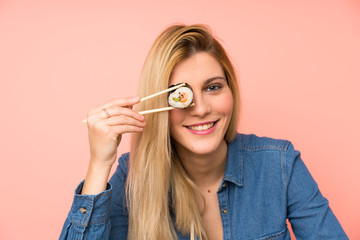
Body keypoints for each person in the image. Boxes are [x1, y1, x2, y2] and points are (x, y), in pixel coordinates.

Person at [59, 24, 348, 240]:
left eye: (212, 87)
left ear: (231, 91)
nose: (199, 109)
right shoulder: (133, 177)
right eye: (180, 95)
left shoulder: (280, 164)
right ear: (159, 104)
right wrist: (98, 165)